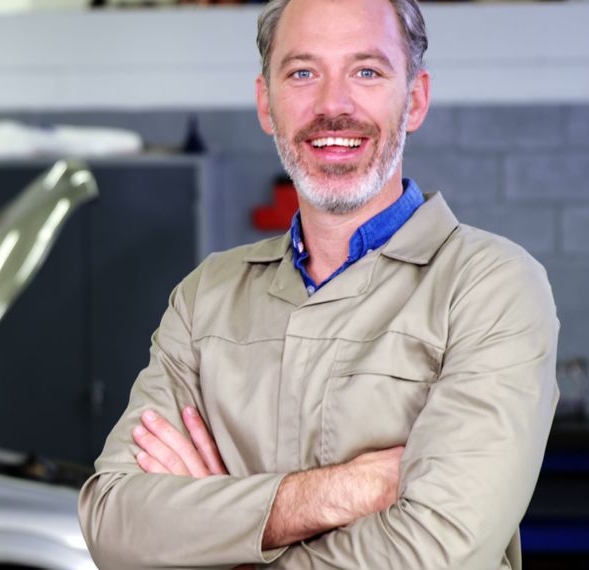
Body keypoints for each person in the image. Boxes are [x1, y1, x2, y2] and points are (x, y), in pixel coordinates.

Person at [76, 0, 560, 568]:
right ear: (266, 103)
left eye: (367, 71)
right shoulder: (206, 297)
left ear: (416, 100)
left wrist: (223, 539)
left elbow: (437, 549)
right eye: (303, 72)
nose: (333, 105)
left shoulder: (490, 286)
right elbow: (113, 521)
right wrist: (337, 491)